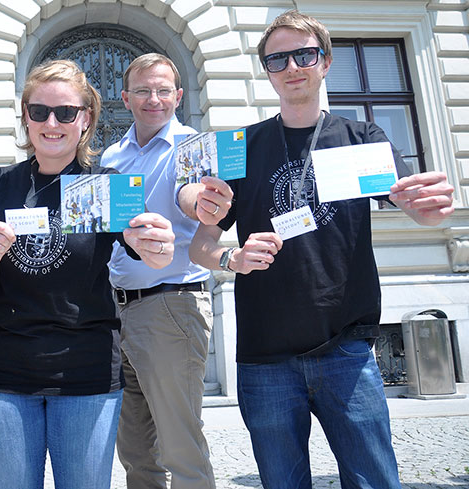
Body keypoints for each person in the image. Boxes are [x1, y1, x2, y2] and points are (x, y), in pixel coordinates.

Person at [178, 10, 454, 488]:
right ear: (266, 70)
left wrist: (431, 207)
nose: (292, 67)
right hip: (265, 356)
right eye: (277, 59)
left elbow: (415, 207)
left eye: (304, 54)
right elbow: (201, 246)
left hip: (345, 346)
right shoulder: (241, 146)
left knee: (374, 481)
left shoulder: (361, 138)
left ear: (325, 61)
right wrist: (232, 259)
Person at [0, 59, 176, 489]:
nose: (51, 123)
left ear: (86, 119)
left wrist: (161, 243)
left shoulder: (105, 186)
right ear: (26, 118)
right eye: (39, 112)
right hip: (5, 372)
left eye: (65, 112)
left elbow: (155, 258)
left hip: (86, 370)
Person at [100, 53, 229, 489]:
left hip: (170, 306)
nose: (153, 99)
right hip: (116, 312)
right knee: (135, 453)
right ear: (125, 97)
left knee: (181, 448)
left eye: (162, 90)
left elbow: (189, 193)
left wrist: (201, 201)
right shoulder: (112, 157)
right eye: (142, 90)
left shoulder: (195, 146)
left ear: (177, 96)